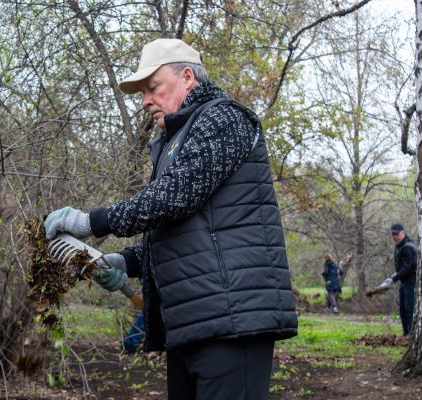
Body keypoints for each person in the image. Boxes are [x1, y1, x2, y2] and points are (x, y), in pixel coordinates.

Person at [44, 38, 297, 400]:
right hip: (193, 322)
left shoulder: (223, 117)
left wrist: (92, 221)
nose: (146, 100)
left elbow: (174, 197)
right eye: (143, 92)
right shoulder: (173, 141)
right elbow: (180, 229)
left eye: (153, 87)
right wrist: (125, 261)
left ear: (188, 76)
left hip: (232, 320)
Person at [379, 223, 418, 336]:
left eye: (397, 234)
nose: (395, 236)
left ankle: (410, 334)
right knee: (402, 310)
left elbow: (407, 268)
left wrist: (393, 278)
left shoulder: (407, 247)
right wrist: (393, 277)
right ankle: (406, 333)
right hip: (404, 281)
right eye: (393, 234)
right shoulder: (399, 246)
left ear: (403, 232)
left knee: (409, 309)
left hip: (411, 281)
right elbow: (402, 268)